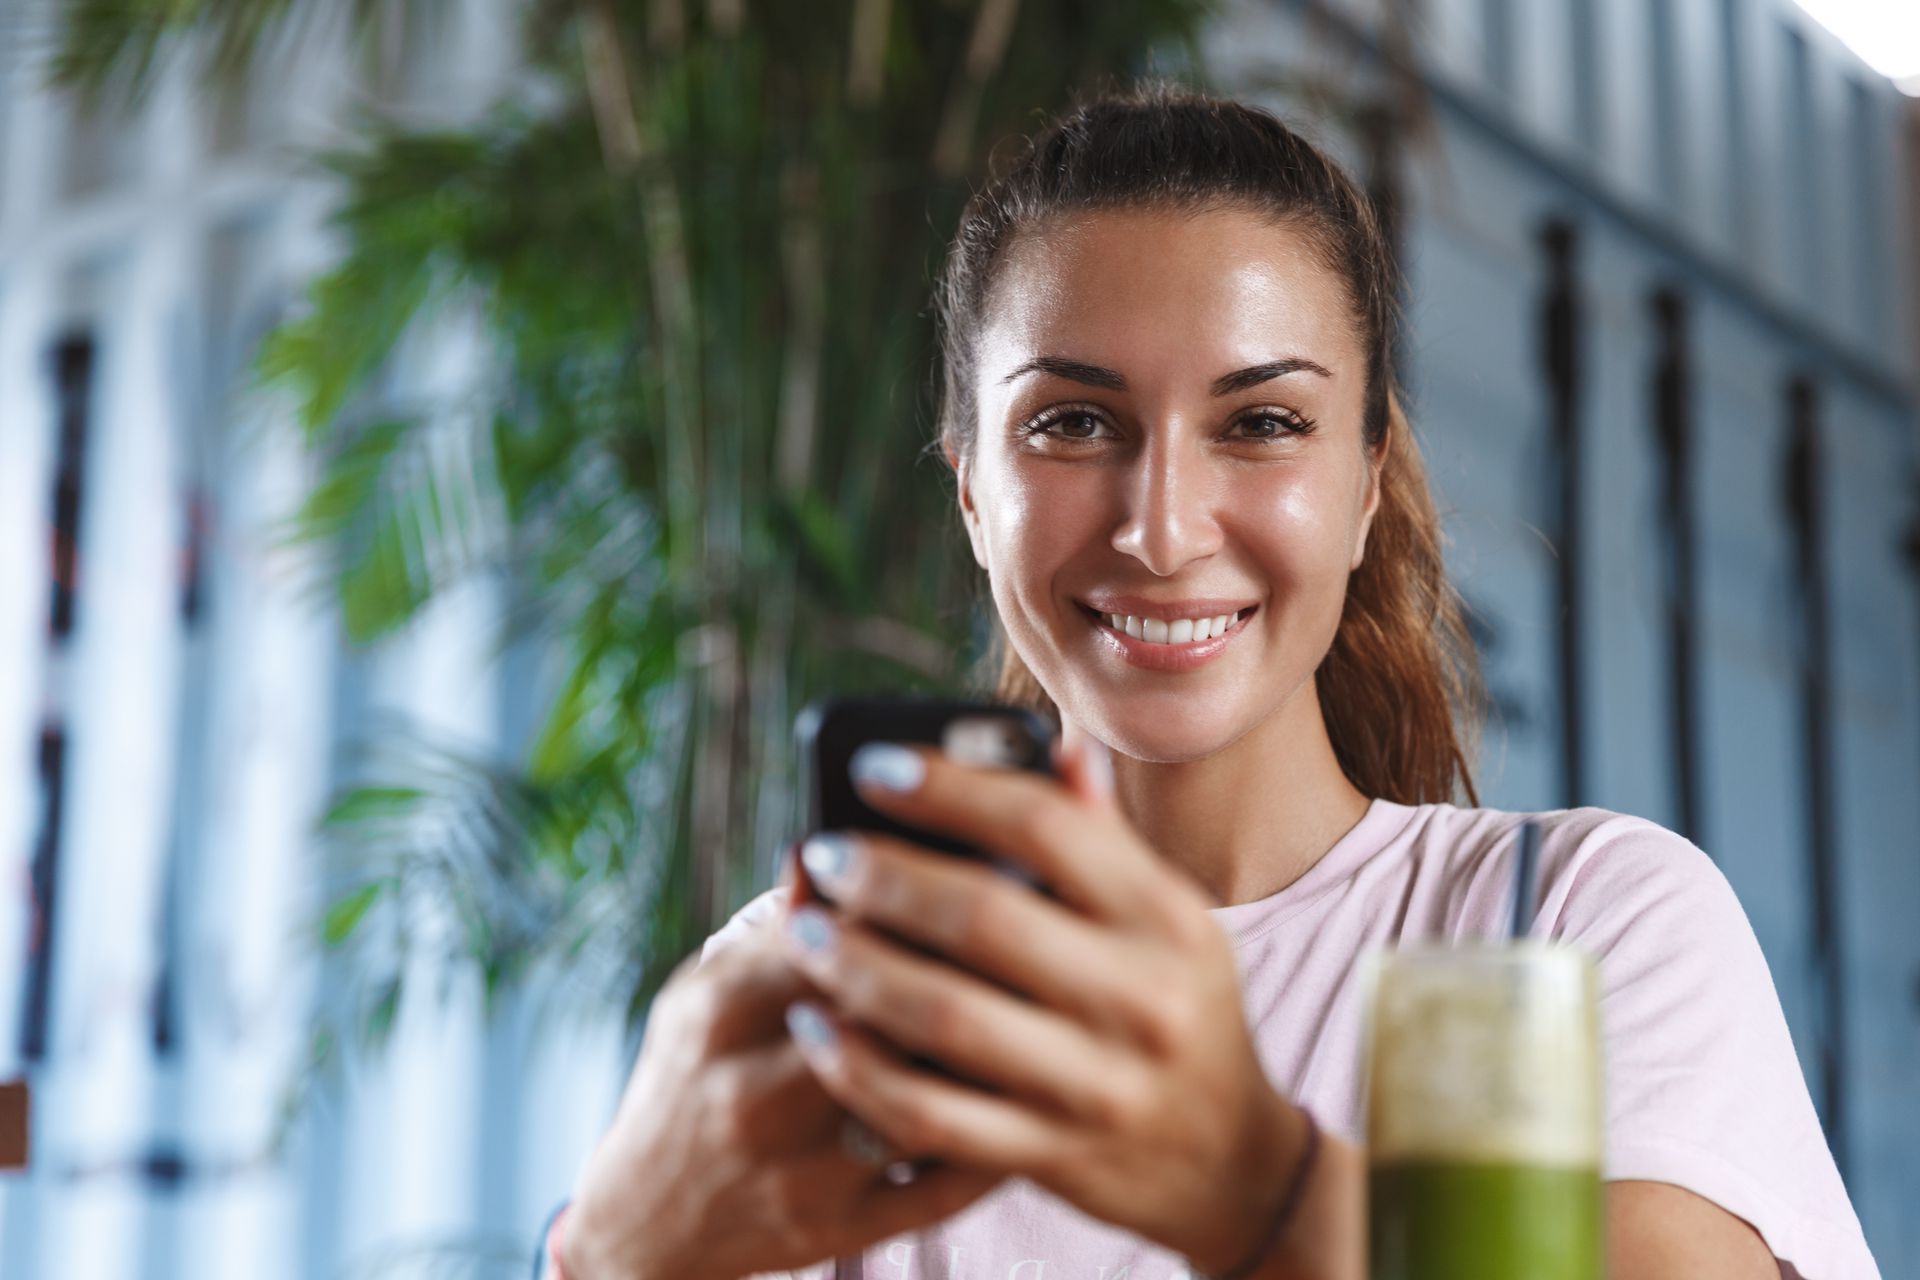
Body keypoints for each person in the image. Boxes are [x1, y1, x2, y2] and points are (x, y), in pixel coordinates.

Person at [539, 85, 1879, 1280]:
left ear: (1365, 488)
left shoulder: (1569, 923)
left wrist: (1258, 1186)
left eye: (1263, 425)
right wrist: (603, 1256)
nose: (1162, 528)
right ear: (969, 491)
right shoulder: (838, 987)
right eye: (1071, 422)